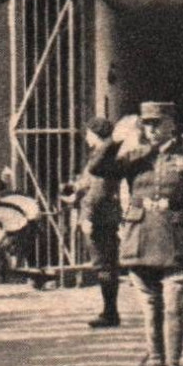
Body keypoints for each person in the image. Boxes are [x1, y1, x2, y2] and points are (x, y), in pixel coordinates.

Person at [87, 102, 183, 366]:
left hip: (177, 241)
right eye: (147, 123)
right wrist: (116, 138)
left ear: (172, 123)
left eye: (158, 122)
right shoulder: (135, 157)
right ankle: (155, 362)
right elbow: (97, 168)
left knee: (173, 307)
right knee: (150, 307)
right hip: (141, 239)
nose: (152, 128)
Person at [63, 117, 122, 328]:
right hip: (105, 215)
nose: (86, 138)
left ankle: (110, 312)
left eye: (88, 133)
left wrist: (87, 215)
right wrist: (75, 191)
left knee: (103, 265)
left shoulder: (102, 156)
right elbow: (89, 184)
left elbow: (97, 191)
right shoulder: (102, 154)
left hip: (99, 217)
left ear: (95, 134)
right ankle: (110, 311)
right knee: (106, 264)